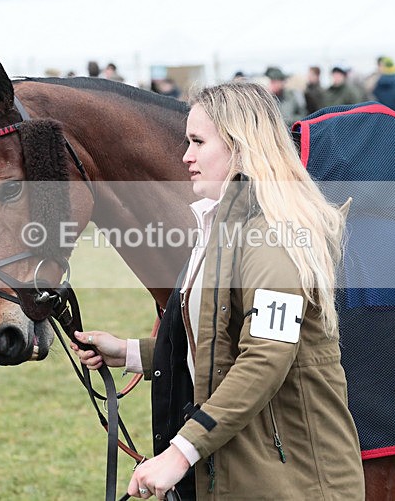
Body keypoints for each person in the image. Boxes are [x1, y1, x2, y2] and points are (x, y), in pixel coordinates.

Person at [72, 82, 365, 500]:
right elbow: (220, 346)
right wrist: (130, 352)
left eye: (197, 142)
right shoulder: (223, 230)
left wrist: (180, 452)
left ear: (241, 145)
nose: (186, 156)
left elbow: (266, 355)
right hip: (247, 472)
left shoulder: (275, 235)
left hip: (294, 483)